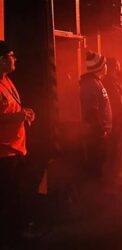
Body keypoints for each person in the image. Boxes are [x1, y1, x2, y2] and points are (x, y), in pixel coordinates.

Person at [0, 41, 35, 248]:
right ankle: (13, 238)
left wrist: (25, 114)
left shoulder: (7, 81)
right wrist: (18, 116)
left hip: (16, 149)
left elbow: (11, 109)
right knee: (10, 199)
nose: (15, 59)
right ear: (2, 59)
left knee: (17, 196)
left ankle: (17, 233)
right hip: (4, 152)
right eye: (12, 56)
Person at [79, 50, 112, 183]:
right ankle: (97, 194)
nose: (106, 66)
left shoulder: (96, 82)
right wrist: (99, 130)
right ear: (99, 67)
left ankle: (102, 190)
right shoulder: (90, 85)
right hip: (96, 134)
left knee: (101, 162)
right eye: (104, 64)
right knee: (96, 164)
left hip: (100, 132)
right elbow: (92, 111)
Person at [103, 57, 122, 182]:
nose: (120, 67)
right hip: (116, 122)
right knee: (114, 150)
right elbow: (117, 104)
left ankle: (116, 175)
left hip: (119, 121)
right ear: (113, 67)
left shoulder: (115, 81)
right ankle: (113, 177)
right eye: (118, 65)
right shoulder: (109, 82)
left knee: (117, 149)